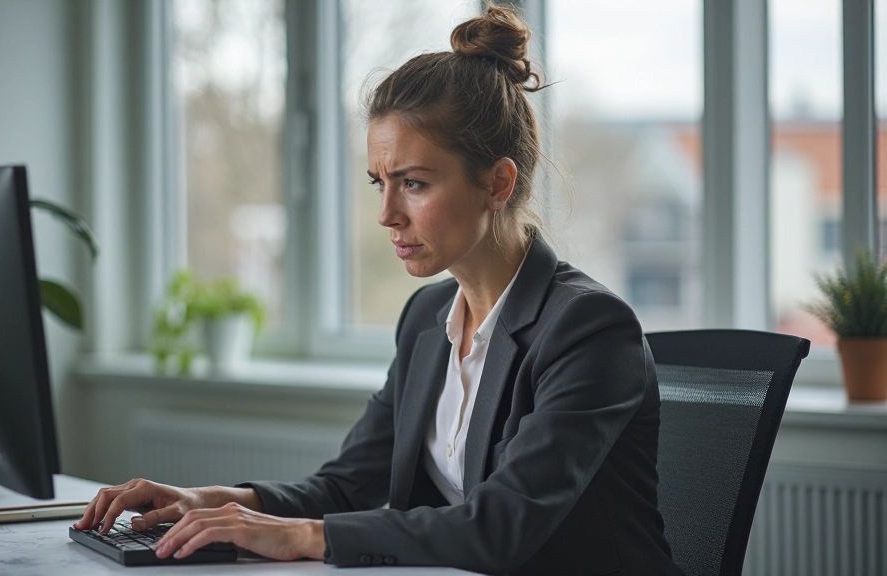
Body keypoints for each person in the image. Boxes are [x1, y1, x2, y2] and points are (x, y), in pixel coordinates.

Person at [75, 5, 683, 575]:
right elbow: (348, 484)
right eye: (379, 182)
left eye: (413, 183)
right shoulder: (426, 319)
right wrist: (211, 500)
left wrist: (304, 536)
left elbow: (501, 526)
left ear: (498, 183)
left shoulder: (588, 329)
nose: (386, 214)